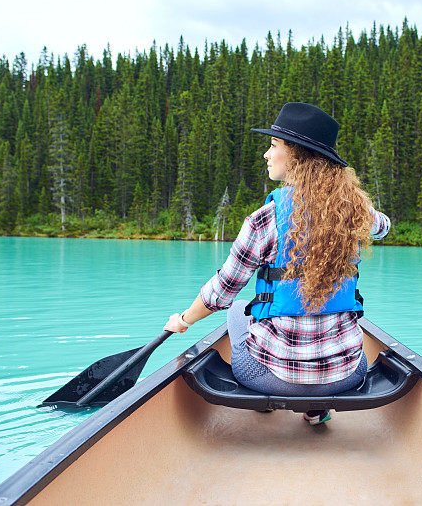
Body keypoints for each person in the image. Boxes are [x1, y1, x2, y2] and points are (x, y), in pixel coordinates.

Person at [163, 102, 390, 425]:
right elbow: (384, 227)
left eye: (273, 146)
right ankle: (315, 409)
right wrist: (357, 206)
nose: (266, 155)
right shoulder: (353, 213)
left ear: (296, 155)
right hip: (347, 376)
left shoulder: (264, 220)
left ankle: (268, 403)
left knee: (238, 308)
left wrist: (183, 320)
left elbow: (220, 293)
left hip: (272, 378)